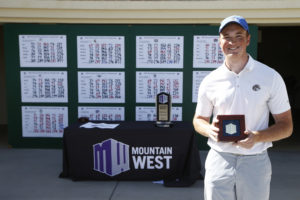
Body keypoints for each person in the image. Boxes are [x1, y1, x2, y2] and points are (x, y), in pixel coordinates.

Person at [193, 15, 293, 200]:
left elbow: (286, 126)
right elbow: (198, 120)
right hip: (219, 158)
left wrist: (258, 137)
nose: (233, 42)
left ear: (248, 39)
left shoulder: (270, 77)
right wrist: (209, 130)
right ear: (219, 41)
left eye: (239, 35)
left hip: (255, 160)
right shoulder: (210, 80)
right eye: (227, 36)